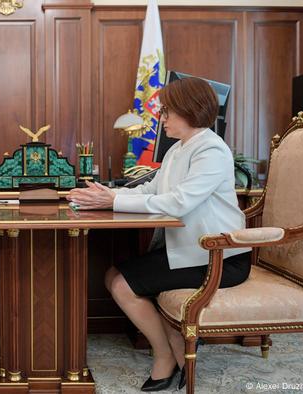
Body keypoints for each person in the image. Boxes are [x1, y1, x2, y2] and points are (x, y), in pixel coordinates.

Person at [68, 77, 251, 392]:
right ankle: (171, 349)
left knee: (122, 283)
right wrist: (106, 195)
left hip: (219, 256)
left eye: (167, 111)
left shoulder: (211, 149)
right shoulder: (179, 149)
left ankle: (165, 356)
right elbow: (151, 189)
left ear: (189, 110)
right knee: (114, 275)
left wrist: (113, 200)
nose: (161, 118)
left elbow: (180, 202)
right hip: (192, 251)